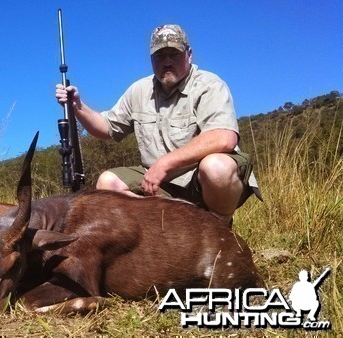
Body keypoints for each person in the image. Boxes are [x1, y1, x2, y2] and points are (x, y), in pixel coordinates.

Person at [55, 24, 262, 226]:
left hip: (199, 183)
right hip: (157, 186)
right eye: (160, 56)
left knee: (217, 168)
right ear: (151, 59)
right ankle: (170, 229)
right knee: (107, 183)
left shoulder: (209, 84)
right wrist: (77, 106)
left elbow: (224, 137)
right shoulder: (139, 90)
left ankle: (219, 232)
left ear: (189, 54)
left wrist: (164, 164)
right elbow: (106, 128)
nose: (167, 62)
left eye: (174, 54)